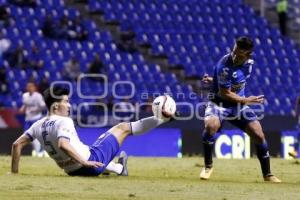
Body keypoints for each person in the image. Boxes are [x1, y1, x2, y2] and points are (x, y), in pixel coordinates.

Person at [11, 86, 173, 176]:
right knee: (123, 127)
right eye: (66, 102)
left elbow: (16, 145)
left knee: (96, 142)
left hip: (70, 170)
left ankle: (119, 168)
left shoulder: (37, 125)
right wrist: (85, 162)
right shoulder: (64, 121)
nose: (69, 105)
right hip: (88, 165)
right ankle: (163, 118)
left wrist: (15, 173)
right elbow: (63, 144)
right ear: (55, 106)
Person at [200, 36, 281, 183]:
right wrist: (247, 100)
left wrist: (214, 80)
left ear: (248, 54)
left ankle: (268, 174)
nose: (235, 56)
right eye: (234, 51)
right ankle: (208, 166)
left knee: (259, 134)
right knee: (211, 126)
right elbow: (225, 93)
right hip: (219, 103)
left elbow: (233, 81)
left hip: (238, 105)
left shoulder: (249, 64)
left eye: (240, 54)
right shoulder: (224, 65)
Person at [19, 82, 47, 157]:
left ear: (34, 88)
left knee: (38, 135)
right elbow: (25, 104)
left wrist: (36, 110)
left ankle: (40, 152)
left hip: (36, 118)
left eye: (31, 86)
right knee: (26, 135)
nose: (29, 88)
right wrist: (22, 109)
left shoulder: (38, 96)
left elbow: (43, 106)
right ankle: (38, 150)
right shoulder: (25, 95)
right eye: (28, 86)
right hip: (28, 119)